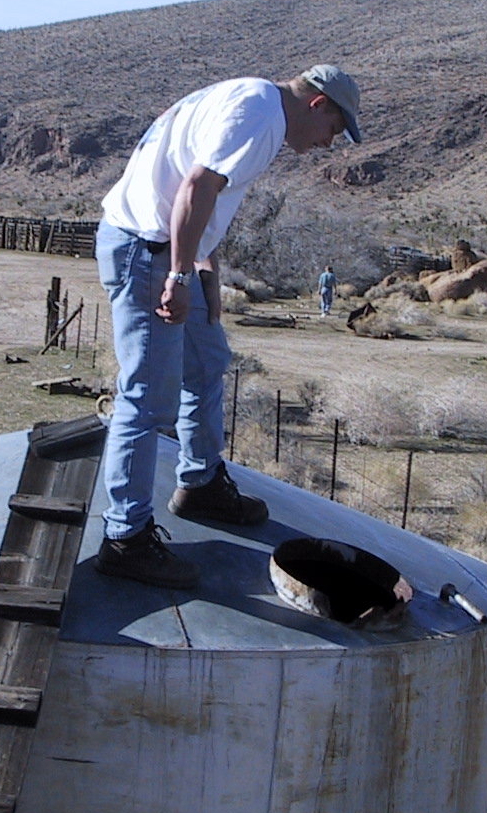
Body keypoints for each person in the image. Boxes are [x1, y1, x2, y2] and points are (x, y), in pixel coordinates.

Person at [95, 64, 363, 587]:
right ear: (318, 104)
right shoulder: (259, 117)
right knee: (147, 398)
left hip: (165, 252)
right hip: (146, 253)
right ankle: (125, 538)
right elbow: (195, 187)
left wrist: (203, 269)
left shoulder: (252, 101)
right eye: (335, 128)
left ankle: (199, 484)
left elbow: (192, 183)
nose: (330, 143)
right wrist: (177, 273)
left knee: (207, 359)